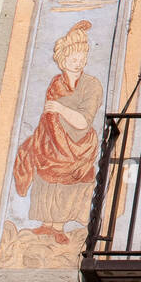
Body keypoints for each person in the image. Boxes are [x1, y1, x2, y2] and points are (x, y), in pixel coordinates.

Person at [13, 20, 103, 244]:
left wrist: (61, 108)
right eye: (74, 59)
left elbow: (83, 120)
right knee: (46, 181)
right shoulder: (56, 82)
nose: (79, 63)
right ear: (63, 61)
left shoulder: (92, 85)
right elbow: (49, 114)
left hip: (78, 145)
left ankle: (60, 226)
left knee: (68, 186)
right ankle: (47, 224)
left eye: (82, 59)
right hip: (51, 142)